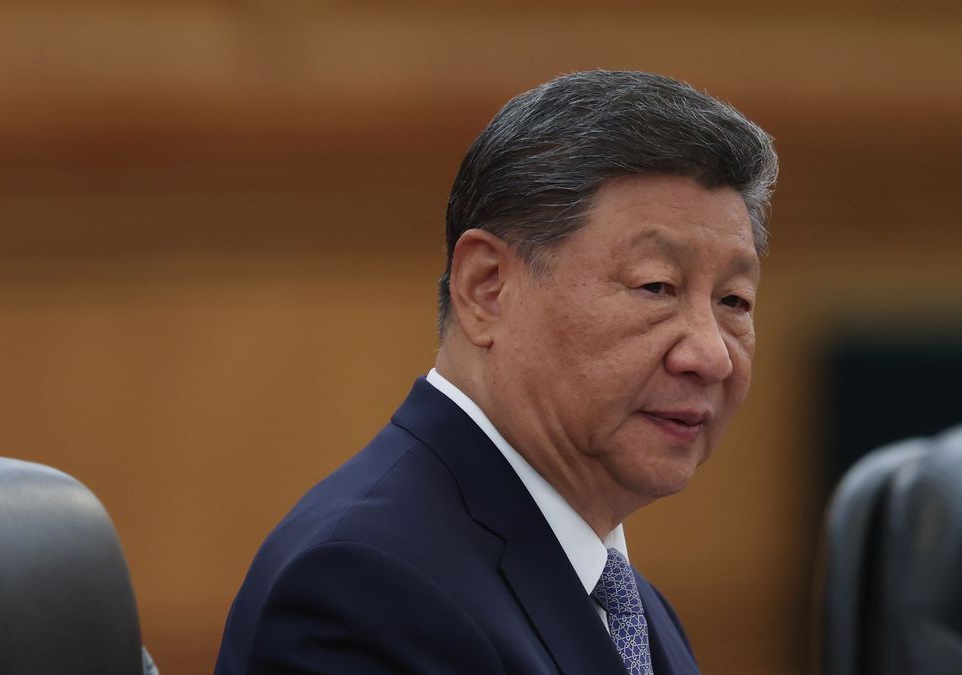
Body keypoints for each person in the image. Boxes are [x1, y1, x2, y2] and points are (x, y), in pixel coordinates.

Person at [214, 69, 777, 675]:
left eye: (733, 302)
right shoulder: (366, 585)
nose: (711, 355)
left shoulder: (630, 605)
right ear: (486, 289)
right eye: (656, 286)